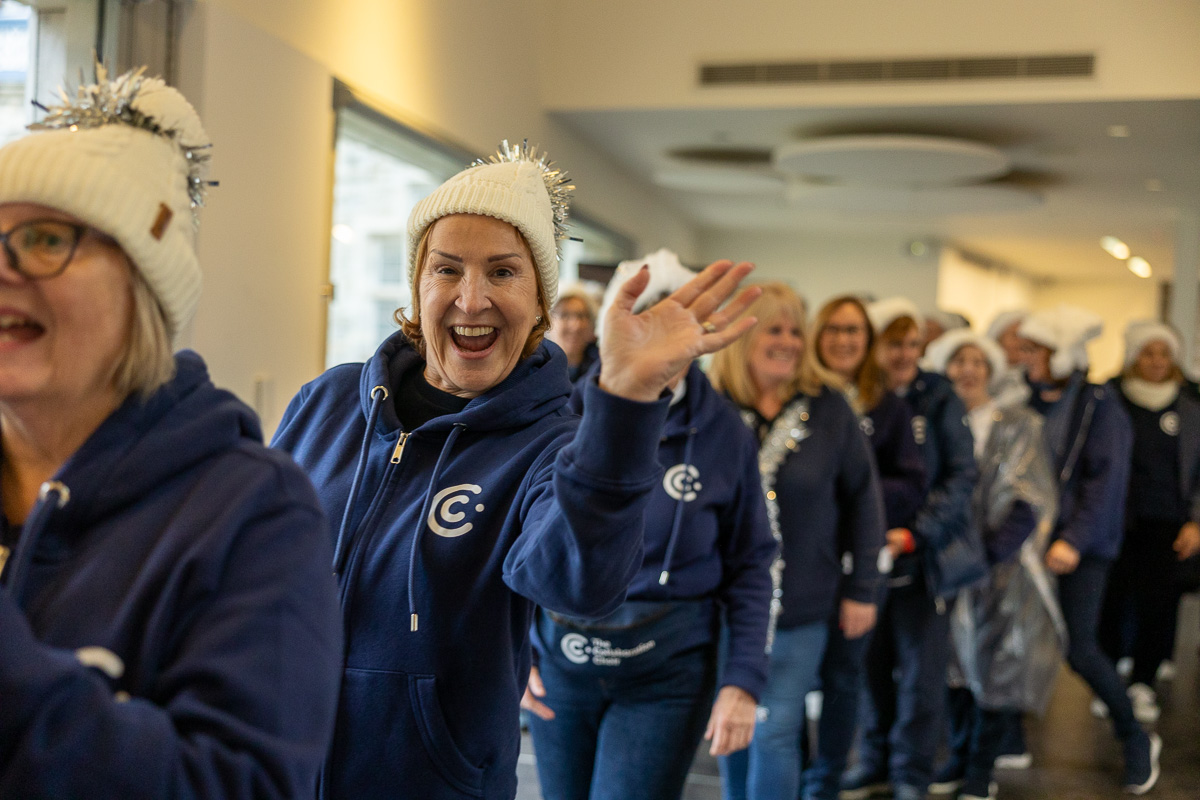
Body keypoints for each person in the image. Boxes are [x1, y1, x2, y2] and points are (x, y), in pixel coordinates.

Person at [271, 141, 761, 800]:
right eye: (447, 270)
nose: (471, 300)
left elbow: (580, 585)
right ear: (417, 287)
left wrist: (623, 402)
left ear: (540, 305)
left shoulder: (550, 445)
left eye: (503, 273)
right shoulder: (327, 403)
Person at [0, 67, 342, 797]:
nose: (4, 269)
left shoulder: (253, 513)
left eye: (46, 239)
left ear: (146, 286)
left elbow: (239, 784)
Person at [524, 251, 775, 800]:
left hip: (667, 671)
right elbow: (516, 536)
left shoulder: (725, 432)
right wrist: (512, 649)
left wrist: (743, 680)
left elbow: (752, 562)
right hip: (561, 662)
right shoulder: (561, 411)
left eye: (678, 323)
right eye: (649, 321)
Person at [708, 284, 886, 800]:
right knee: (732, 729)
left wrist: (863, 587)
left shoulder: (830, 407)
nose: (788, 340)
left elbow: (864, 502)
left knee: (774, 728)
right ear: (744, 336)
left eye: (794, 330)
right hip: (720, 604)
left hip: (803, 603)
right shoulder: (712, 406)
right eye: (774, 328)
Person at [1015, 305, 1160, 795]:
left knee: (1079, 648)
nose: (1025, 357)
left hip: (1081, 547)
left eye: (1035, 349)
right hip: (1030, 545)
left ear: (1060, 354)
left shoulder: (1100, 405)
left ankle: (1135, 738)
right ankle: (1001, 741)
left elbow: (1106, 482)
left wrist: (1072, 540)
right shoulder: (1026, 399)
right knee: (1015, 642)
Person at [840, 297, 981, 800]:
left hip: (926, 561)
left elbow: (962, 475)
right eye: (894, 343)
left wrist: (916, 533)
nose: (903, 353)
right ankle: (874, 761)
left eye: (912, 344)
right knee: (869, 670)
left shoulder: (938, 395)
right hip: (865, 561)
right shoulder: (857, 395)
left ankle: (911, 775)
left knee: (921, 679)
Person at [924, 330, 1063, 800]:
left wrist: (989, 554)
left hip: (1002, 571)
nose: (968, 370)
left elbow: (1031, 497)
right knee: (954, 669)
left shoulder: (1020, 424)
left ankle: (982, 769)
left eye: (977, 361)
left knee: (999, 670)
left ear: (991, 369)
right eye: (958, 361)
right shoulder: (934, 422)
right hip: (946, 567)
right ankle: (957, 758)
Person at [803, 295, 927, 800]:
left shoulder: (890, 407)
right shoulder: (801, 397)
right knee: (788, 682)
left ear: (867, 342)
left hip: (859, 562)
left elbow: (913, 482)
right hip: (802, 563)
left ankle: (825, 781)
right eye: (834, 329)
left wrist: (854, 491)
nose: (844, 340)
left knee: (843, 678)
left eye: (854, 331)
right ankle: (791, 775)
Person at [1099, 321, 1200, 723]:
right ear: (1134, 357)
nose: (1157, 361)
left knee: (1158, 604)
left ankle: (1144, 680)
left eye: (1164, 354)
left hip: (1168, 522)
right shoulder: (1110, 400)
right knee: (1111, 599)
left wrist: (1196, 521)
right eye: (1148, 353)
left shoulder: (1190, 408)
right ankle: (1107, 680)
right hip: (1116, 519)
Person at [546, 281, 600, 382]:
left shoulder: (601, 368)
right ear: (548, 321)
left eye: (581, 316)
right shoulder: (534, 370)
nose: (575, 326)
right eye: (565, 315)